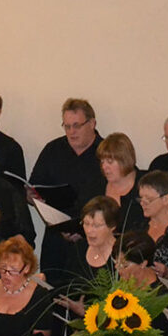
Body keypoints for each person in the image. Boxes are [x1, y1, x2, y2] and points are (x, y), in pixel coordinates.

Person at [29, 98, 106, 262]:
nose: (72, 132)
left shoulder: (107, 153)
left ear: (92, 123)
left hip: (94, 241)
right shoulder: (53, 150)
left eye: (77, 125)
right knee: (52, 285)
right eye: (67, 126)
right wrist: (33, 197)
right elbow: (33, 187)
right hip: (56, 238)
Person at [54, 196, 121, 336]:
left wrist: (86, 312)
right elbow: (68, 282)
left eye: (97, 226)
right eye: (86, 224)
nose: (90, 231)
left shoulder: (122, 257)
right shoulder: (78, 248)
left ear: (112, 226)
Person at [97, 133, 145, 231]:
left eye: (110, 161)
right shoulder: (97, 185)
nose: (104, 167)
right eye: (102, 162)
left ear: (125, 160)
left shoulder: (146, 184)